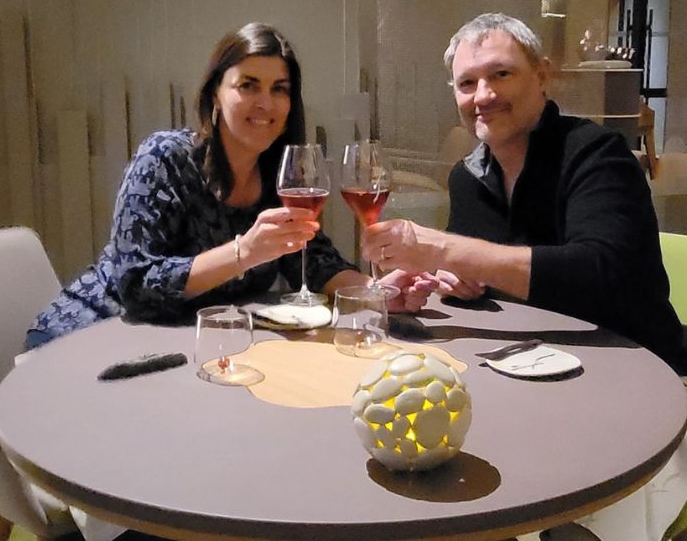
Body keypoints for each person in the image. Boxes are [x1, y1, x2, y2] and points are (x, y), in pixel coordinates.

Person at [27, 22, 434, 349]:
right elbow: (135, 284)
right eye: (248, 85)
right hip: (90, 335)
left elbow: (313, 261)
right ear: (216, 95)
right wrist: (244, 252)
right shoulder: (166, 158)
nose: (266, 103)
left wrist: (374, 292)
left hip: (178, 346)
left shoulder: (281, 174)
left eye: (280, 89)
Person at [362, 12, 687, 374]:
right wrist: (449, 281)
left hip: (639, 372)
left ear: (542, 74)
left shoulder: (596, 154)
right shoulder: (468, 177)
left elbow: (604, 275)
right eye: (467, 83)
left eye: (501, 74)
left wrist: (444, 249)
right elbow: (484, 273)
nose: (484, 96)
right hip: (529, 366)